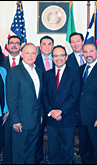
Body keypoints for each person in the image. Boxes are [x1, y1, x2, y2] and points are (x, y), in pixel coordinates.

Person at [42, 45, 81, 164]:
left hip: (67, 118)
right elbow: (44, 96)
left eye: (61, 55)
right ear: (52, 58)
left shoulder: (75, 73)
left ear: (66, 57)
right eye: (55, 56)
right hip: (51, 119)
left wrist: (61, 111)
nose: (58, 58)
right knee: (53, 150)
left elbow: (74, 96)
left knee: (67, 150)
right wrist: (51, 111)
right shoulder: (47, 75)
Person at [6, 43, 43, 164]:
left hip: (35, 120)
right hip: (20, 121)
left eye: (33, 53)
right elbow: (11, 98)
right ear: (22, 54)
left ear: (37, 55)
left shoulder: (38, 71)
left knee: (31, 151)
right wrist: (15, 120)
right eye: (27, 53)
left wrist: (41, 114)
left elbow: (39, 97)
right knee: (19, 152)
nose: (30, 55)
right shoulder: (14, 71)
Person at [1, 35, 23, 164]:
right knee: (7, 141)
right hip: (4, 109)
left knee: (21, 141)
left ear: (21, 46)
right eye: (11, 43)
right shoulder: (0, 62)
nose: (14, 45)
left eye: (17, 43)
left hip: (21, 108)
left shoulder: (27, 61)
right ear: (7, 45)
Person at [34, 35, 55, 163]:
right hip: (39, 106)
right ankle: (38, 159)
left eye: (49, 44)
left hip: (55, 106)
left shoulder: (59, 59)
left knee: (54, 136)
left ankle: (54, 158)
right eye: (44, 44)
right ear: (40, 47)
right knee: (38, 135)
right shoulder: (33, 60)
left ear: (52, 46)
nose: (47, 46)